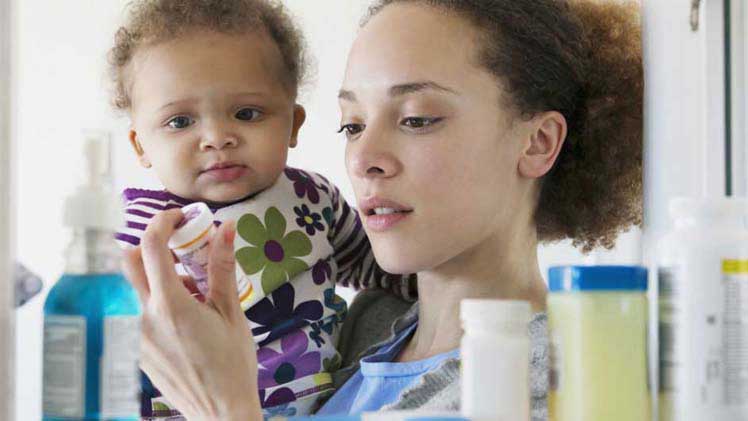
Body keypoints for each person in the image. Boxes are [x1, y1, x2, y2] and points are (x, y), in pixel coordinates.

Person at [122, 0, 643, 419]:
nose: (363, 159)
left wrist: (224, 409)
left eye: (416, 119)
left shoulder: (547, 391)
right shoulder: (366, 327)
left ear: (537, 142)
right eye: (352, 125)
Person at [108, 0, 413, 417]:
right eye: (180, 122)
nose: (216, 137)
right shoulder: (139, 231)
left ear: (292, 124)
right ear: (141, 145)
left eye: (246, 113)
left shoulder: (314, 199)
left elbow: (376, 266)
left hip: (322, 403)